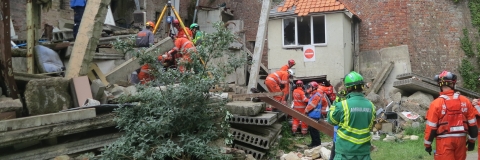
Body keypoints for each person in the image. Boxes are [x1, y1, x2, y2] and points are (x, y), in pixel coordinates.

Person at [424, 70, 478, 159]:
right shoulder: (465, 101)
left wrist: (427, 144)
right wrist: (472, 141)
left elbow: (431, 127)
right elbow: (472, 124)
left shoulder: (436, 103)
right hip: (461, 140)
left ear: (440, 85)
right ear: (453, 84)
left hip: (444, 141)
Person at [327, 71, 375, 160]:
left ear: (347, 88)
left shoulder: (342, 105)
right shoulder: (371, 106)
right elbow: (370, 126)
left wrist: (337, 101)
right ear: (362, 86)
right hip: (364, 153)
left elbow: (331, 120)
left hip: (345, 152)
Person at [304, 81, 327, 148]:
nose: (309, 88)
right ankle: (314, 143)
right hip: (312, 115)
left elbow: (312, 105)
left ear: (314, 88)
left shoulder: (316, 96)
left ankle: (317, 144)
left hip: (314, 115)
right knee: (312, 130)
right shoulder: (314, 95)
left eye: (310, 87)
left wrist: (306, 111)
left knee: (314, 130)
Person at [327, 88, 347, 160]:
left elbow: (330, 119)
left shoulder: (338, 105)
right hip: (341, 139)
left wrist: (334, 104)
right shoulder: (346, 105)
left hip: (339, 139)